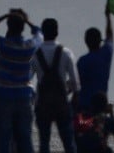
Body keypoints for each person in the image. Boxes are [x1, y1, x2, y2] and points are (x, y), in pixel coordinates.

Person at [0, 9, 43, 153]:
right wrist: (27, 21)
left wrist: (3, 17)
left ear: (8, 26)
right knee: (25, 137)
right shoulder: (29, 47)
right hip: (24, 95)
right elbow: (39, 34)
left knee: (3, 138)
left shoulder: (3, 45)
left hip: (5, 95)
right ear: (22, 28)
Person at [32, 19, 79, 153]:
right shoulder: (66, 53)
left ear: (43, 32)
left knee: (44, 144)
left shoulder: (36, 54)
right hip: (61, 103)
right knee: (68, 143)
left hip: (42, 103)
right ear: (57, 32)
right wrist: (72, 93)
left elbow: (27, 78)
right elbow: (76, 82)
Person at [76, 10, 114, 115]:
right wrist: (108, 17)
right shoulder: (106, 54)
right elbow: (110, 36)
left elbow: (76, 84)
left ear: (86, 41)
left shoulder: (82, 61)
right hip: (101, 106)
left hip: (84, 107)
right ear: (100, 41)